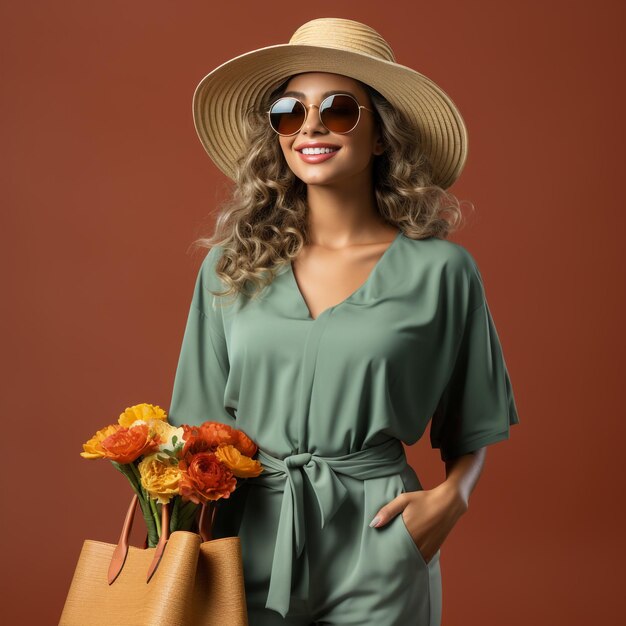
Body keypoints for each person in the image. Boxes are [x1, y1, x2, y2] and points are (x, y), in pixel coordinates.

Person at [168, 17, 520, 626]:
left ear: (382, 135)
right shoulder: (230, 268)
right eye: (289, 110)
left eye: (338, 109)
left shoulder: (442, 272)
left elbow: (475, 416)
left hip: (379, 537)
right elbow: (196, 430)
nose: (310, 126)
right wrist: (178, 548)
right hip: (245, 532)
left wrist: (452, 499)